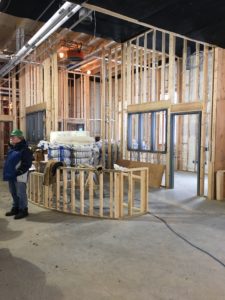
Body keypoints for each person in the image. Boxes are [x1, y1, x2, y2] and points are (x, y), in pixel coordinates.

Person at [3, 129, 33, 219]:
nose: (11, 138)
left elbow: (27, 163)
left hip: (20, 174)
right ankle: (15, 207)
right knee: (13, 192)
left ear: (20, 138)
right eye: (11, 137)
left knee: (20, 192)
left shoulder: (25, 150)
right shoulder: (12, 148)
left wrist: (19, 171)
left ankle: (23, 210)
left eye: (13, 137)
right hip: (12, 174)